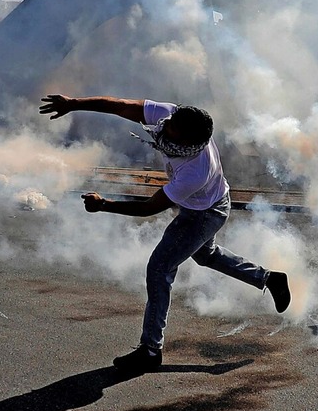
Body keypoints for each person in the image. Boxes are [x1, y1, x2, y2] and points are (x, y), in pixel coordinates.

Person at [39, 94, 292, 374]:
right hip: (209, 203)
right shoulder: (172, 116)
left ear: (187, 141)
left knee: (160, 268)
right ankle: (268, 278)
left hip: (204, 214)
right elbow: (121, 106)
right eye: (170, 119)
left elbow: (150, 207)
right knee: (206, 256)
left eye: (172, 126)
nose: (165, 123)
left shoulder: (196, 171)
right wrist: (73, 103)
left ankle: (150, 350)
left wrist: (104, 205)